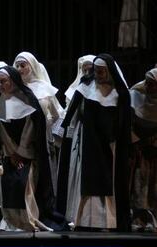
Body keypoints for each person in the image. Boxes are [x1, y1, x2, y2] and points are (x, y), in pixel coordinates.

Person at [57, 54, 131, 232]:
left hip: (109, 145)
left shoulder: (119, 92)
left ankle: (108, 221)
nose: (97, 74)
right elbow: (71, 115)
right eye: (96, 71)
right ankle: (84, 220)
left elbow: (124, 121)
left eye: (101, 71)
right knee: (87, 180)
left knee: (108, 180)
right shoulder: (85, 87)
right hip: (87, 142)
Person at [0, 66, 64, 231]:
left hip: (27, 154)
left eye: (4, 81)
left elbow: (30, 129)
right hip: (9, 155)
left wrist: (20, 153)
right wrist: (10, 152)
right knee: (8, 188)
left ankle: (27, 220)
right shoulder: (0, 103)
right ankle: (10, 221)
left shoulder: (27, 100)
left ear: (13, 81)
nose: (0, 85)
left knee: (24, 186)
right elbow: (1, 129)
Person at [14, 52, 64, 198]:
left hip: (42, 135)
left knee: (43, 170)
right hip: (20, 135)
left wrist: (49, 132)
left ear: (32, 66)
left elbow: (56, 115)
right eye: (17, 66)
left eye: (23, 65)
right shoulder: (14, 89)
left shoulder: (44, 88)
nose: (19, 69)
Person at [129, 67, 157, 232]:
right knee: (139, 184)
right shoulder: (135, 94)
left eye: (152, 84)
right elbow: (128, 122)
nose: (147, 87)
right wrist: (137, 141)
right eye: (147, 83)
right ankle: (139, 218)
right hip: (139, 148)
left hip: (154, 148)